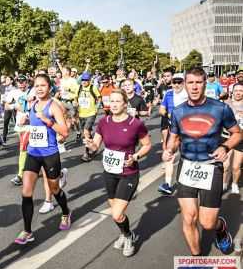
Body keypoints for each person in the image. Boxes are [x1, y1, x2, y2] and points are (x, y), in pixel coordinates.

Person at [162, 67, 241, 255]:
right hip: (187, 166)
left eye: (199, 82)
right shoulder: (179, 111)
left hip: (211, 167)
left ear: (206, 84)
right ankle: (196, 259)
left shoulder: (220, 108)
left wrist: (225, 147)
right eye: (191, 82)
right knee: (189, 218)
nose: (195, 87)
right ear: (185, 85)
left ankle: (220, 228)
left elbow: (237, 133)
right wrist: (169, 150)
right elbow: (174, 137)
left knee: (207, 223)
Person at [84, 89, 151, 256]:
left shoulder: (135, 124)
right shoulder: (103, 122)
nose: (113, 104)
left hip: (128, 173)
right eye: (111, 101)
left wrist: (135, 156)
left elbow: (147, 145)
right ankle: (126, 233)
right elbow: (95, 147)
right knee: (116, 214)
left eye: (117, 101)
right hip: (109, 173)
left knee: (116, 213)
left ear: (125, 103)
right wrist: (90, 143)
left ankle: (128, 237)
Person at [14, 74, 71, 245]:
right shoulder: (32, 104)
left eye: (43, 85)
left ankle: (66, 213)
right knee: (26, 192)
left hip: (50, 154)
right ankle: (27, 231)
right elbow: (32, 126)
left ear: (50, 87)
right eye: (37, 85)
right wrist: (24, 122)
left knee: (54, 189)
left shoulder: (53, 107)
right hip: (33, 152)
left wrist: (47, 121)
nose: (39, 88)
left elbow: (65, 132)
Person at [158, 73, 188, 195]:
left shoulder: (188, 94)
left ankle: (188, 183)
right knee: (169, 154)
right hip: (174, 129)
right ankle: (168, 184)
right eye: (174, 82)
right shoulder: (168, 93)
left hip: (188, 130)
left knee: (187, 156)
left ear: (184, 82)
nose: (176, 84)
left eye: (179, 82)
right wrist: (168, 115)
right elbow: (161, 109)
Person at [76, 72, 101, 161]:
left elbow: (99, 98)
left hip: (91, 113)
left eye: (86, 80)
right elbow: (75, 98)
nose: (84, 82)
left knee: (86, 131)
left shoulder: (92, 88)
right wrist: (75, 103)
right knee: (86, 134)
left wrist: (97, 108)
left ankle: (86, 153)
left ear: (89, 80)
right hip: (81, 114)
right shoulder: (79, 88)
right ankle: (93, 147)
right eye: (83, 80)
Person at [225, 83, 243, 194]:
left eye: (241, 90)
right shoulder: (226, 104)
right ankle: (223, 184)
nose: (238, 92)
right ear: (232, 91)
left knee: (236, 166)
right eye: (236, 90)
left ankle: (234, 183)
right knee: (225, 165)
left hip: (241, 138)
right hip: (226, 137)